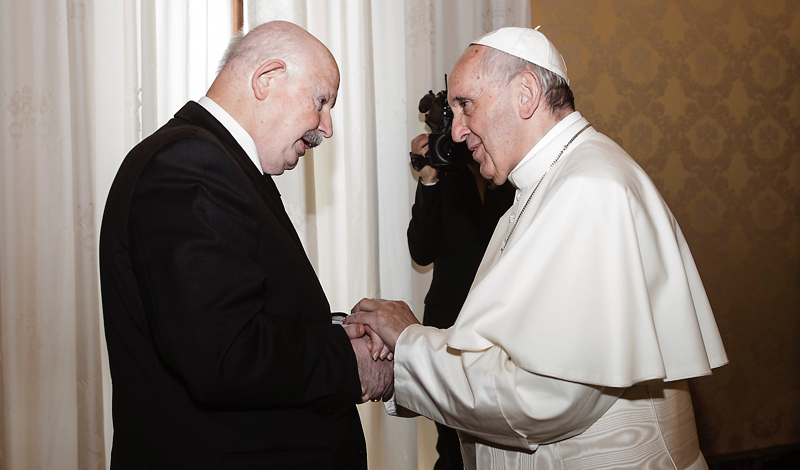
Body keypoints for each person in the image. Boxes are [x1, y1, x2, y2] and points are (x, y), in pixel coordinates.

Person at [348, 26, 728, 470]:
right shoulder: (541, 187)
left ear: (526, 93)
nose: (455, 133)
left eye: (466, 105)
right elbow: (504, 351)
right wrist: (409, 352)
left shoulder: (589, 188)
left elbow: (543, 397)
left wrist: (409, 347)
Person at [99, 21, 392, 469]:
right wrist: (349, 361)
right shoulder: (190, 164)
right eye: (322, 102)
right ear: (267, 79)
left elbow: (243, 313)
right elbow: (225, 352)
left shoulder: (218, 162)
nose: (327, 127)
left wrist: (336, 330)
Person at [407, 133, 514, 470]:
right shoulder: (446, 173)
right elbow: (421, 251)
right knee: (450, 447)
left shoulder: (514, 170)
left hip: (504, 322)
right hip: (447, 324)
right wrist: (429, 180)